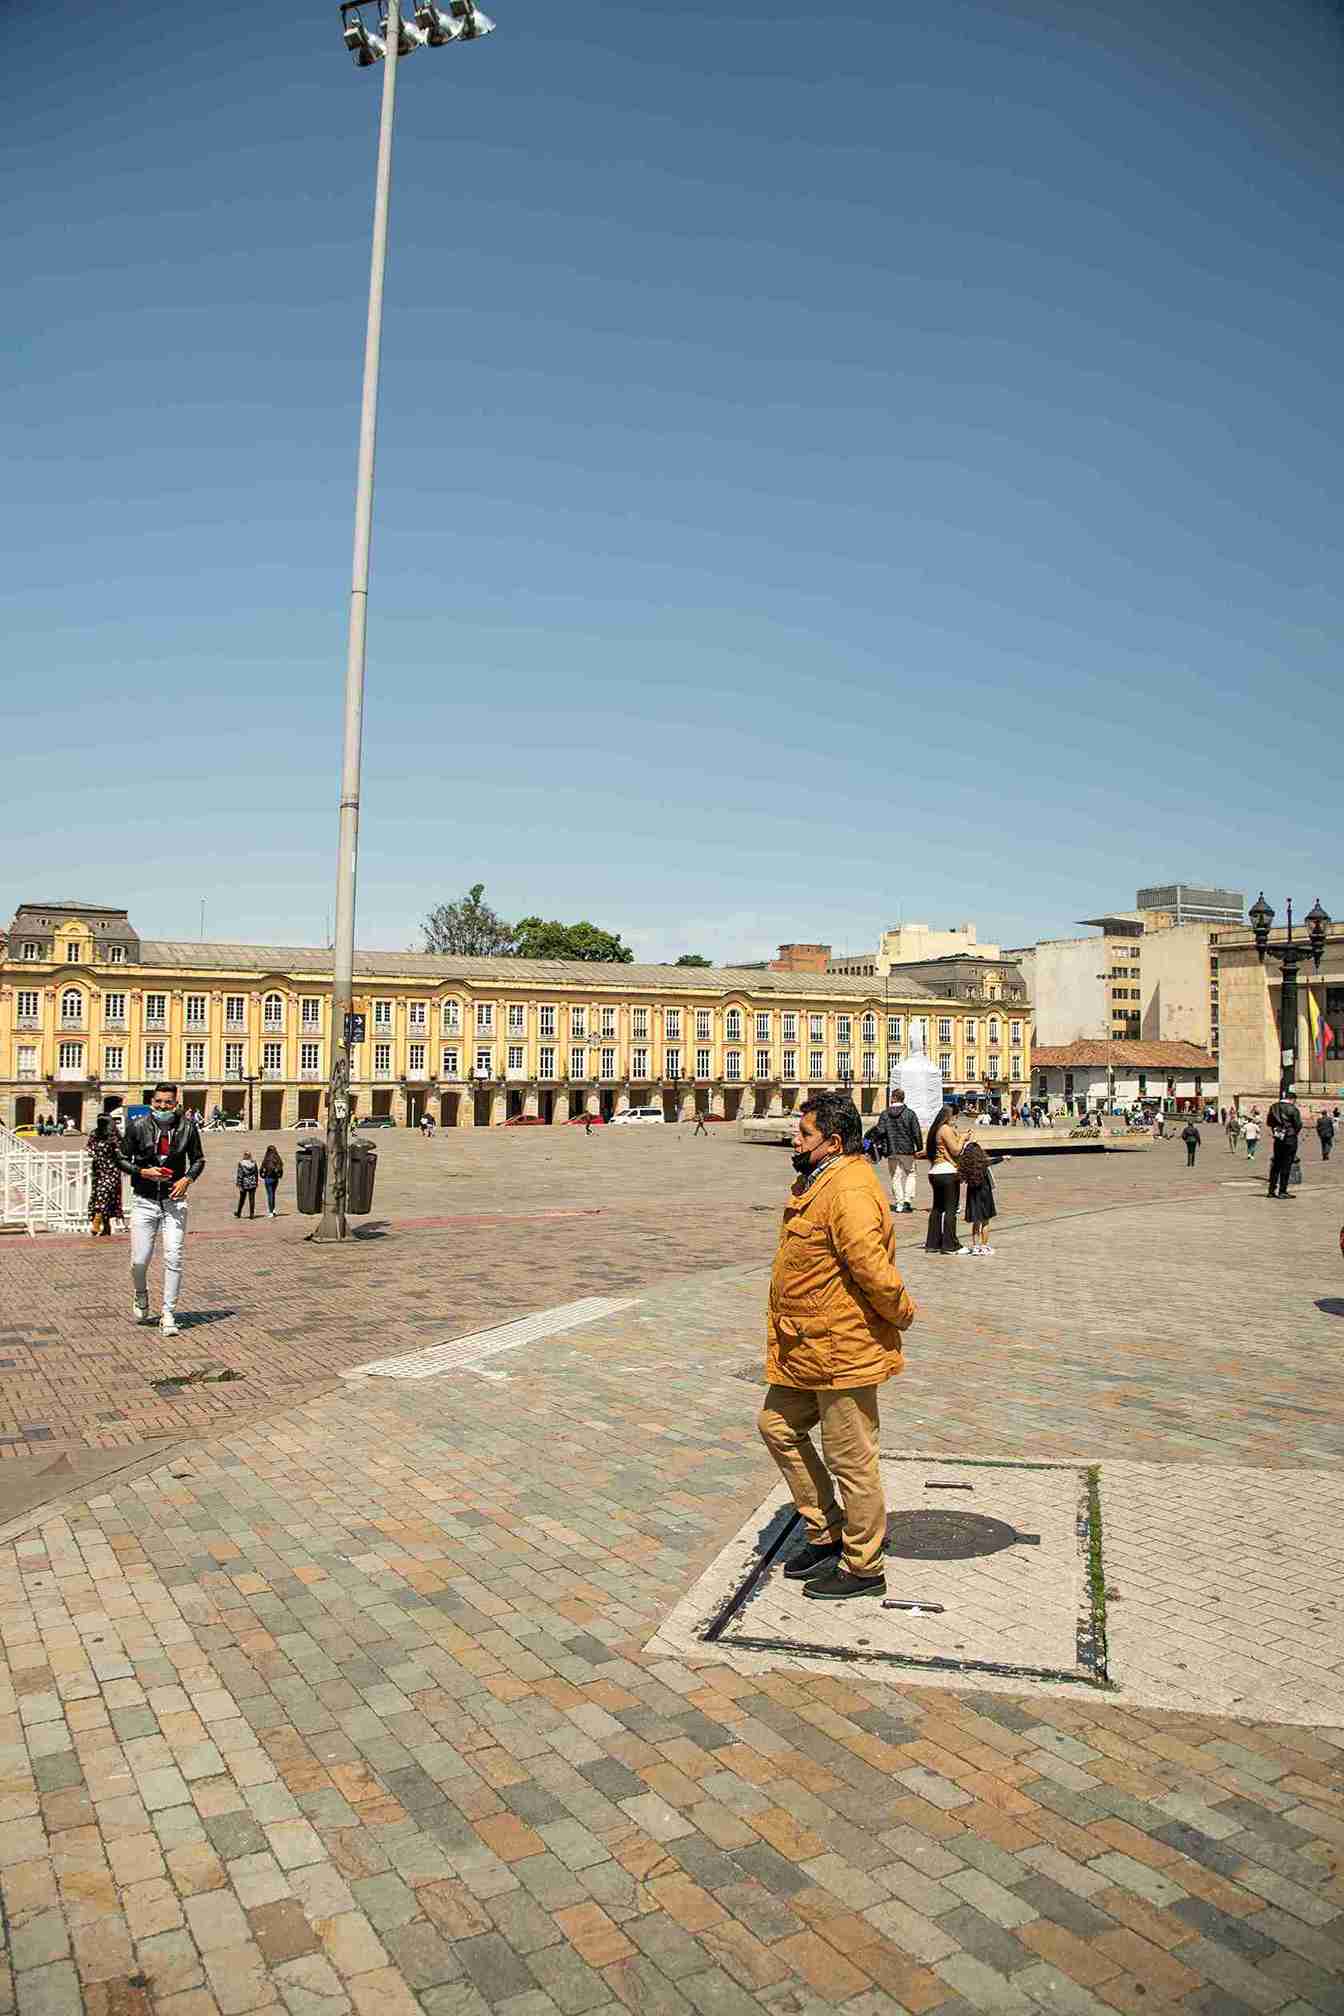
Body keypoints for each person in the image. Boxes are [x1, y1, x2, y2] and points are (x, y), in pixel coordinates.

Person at [758, 1091, 917, 1602]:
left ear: (835, 1142)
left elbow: (872, 1269)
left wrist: (902, 1314)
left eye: (805, 1135)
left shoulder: (847, 1191)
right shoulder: (818, 1182)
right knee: (777, 1426)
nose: (795, 1141)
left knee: (852, 1458)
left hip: (842, 1348)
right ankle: (826, 1530)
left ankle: (863, 1566)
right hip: (806, 1347)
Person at [114, 1083, 205, 1338]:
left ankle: (168, 1314)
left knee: (173, 1258)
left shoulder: (188, 1127)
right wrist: (142, 1171)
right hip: (144, 1201)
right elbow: (121, 1158)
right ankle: (141, 1293)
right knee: (139, 1260)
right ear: (151, 1102)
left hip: (174, 1202)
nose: (163, 1107)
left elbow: (198, 1159)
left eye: (168, 1103)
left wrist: (187, 1179)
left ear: (175, 1103)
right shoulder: (137, 1126)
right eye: (158, 1102)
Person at [924, 1101, 966, 1255]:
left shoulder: (935, 1129)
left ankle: (933, 1242)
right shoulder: (945, 1129)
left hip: (935, 1171)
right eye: (956, 1116)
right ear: (951, 1116)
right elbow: (955, 1150)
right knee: (951, 1209)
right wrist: (962, 1138)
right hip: (947, 1172)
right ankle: (950, 1244)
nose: (956, 1120)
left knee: (937, 1208)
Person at [871, 1089, 922, 1214]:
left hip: (891, 1149)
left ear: (893, 1098)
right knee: (911, 1173)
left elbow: (880, 1131)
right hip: (907, 1149)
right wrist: (919, 1147)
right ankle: (907, 1200)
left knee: (895, 1176)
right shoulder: (910, 1114)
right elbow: (916, 1132)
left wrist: (875, 1143)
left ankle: (899, 1203)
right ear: (903, 1098)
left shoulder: (885, 1114)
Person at [87, 1115, 124, 1238]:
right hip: (98, 1170)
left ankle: (97, 1220)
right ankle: (106, 1226)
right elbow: (89, 1147)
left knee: (104, 1193)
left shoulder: (114, 1137)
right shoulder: (94, 1134)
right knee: (101, 1196)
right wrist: (93, 1154)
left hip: (112, 1170)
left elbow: (122, 1151)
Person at [959, 1136, 997, 1255]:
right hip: (985, 1194)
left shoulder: (967, 1166)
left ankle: (975, 1246)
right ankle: (984, 1246)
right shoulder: (983, 1163)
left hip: (973, 1196)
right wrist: (1004, 1157)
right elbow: (993, 1161)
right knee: (985, 1221)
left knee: (976, 1221)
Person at [1265, 1086, 1302, 1199]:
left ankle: (1271, 1190)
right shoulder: (1293, 1109)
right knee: (1286, 1165)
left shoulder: (1273, 1107)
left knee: (1276, 1164)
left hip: (1278, 1138)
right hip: (1290, 1139)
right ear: (1292, 1099)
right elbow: (1298, 1124)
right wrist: (1293, 1133)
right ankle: (1282, 1191)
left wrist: (1277, 1130)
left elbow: (1269, 1122)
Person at [259, 1143, 284, 1216]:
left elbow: (261, 1169)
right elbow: (281, 1168)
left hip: (268, 1178)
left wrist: (262, 1176)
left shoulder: (266, 1158)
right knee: (273, 1194)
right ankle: (273, 1210)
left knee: (270, 1194)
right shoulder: (277, 1158)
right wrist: (280, 1175)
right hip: (275, 1178)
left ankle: (271, 1211)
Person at [235, 1148, 259, 1219]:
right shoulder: (254, 1163)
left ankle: (239, 1212)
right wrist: (256, 1182)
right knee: (252, 1199)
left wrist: (239, 1183)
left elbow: (240, 1174)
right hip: (252, 1182)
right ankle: (252, 1214)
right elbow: (256, 1173)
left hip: (244, 1183)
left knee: (242, 1198)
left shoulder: (241, 1163)